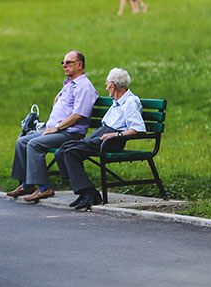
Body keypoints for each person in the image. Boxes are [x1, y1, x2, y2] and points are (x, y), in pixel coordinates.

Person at [7, 50, 99, 202]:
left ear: (79, 65)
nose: (64, 65)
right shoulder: (69, 84)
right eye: (63, 62)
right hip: (57, 129)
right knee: (22, 140)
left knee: (34, 144)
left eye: (68, 62)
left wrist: (56, 128)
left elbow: (78, 115)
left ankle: (44, 188)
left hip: (70, 132)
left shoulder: (84, 87)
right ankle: (27, 183)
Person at [54, 68, 146, 210]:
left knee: (71, 152)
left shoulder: (130, 102)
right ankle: (84, 191)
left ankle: (90, 193)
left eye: (107, 84)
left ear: (113, 86)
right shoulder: (116, 101)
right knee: (62, 150)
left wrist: (115, 135)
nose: (106, 87)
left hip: (112, 140)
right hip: (102, 135)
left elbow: (138, 129)